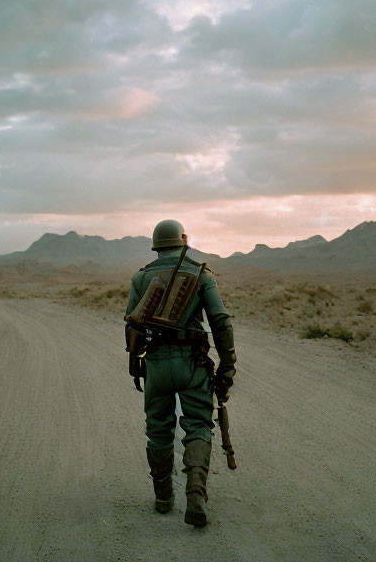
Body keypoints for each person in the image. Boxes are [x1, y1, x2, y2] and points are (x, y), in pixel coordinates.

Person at [124, 219, 237, 527]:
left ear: (156, 245)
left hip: (157, 366)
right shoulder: (201, 274)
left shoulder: (141, 277)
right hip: (193, 363)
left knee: (158, 428)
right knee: (199, 425)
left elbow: (131, 323)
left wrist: (137, 361)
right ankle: (196, 494)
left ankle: (163, 499)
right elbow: (220, 321)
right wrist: (228, 363)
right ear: (184, 241)